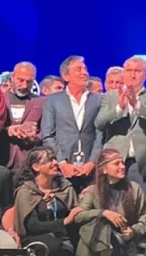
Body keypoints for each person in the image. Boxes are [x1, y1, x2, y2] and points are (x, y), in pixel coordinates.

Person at [97, 56, 146, 201]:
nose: (133, 75)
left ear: (145, 74)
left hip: (142, 162)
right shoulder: (109, 96)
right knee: (113, 204)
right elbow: (99, 123)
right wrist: (119, 108)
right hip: (115, 160)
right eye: (129, 71)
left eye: (137, 71)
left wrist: (137, 105)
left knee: (141, 205)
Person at [74, 149, 146, 256]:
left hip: (126, 245)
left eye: (122, 163)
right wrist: (103, 213)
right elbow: (78, 216)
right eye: (116, 164)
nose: (122, 166)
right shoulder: (93, 191)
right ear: (104, 169)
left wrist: (133, 231)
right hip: (97, 245)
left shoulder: (134, 189)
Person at [41, 56, 103, 192]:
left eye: (85, 69)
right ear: (66, 76)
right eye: (78, 69)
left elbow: (100, 133)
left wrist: (92, 162)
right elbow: (48, 135)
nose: (84, 73)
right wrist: (62, 163)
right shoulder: (53, 100)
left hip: (90, 170)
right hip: (62, 169)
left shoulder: (98, 100)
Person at [13, 147, 79, 256]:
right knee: (53, 246)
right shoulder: (26, 192)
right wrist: (64, 222)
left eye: (55, 159)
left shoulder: (65, 189)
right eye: (49, 160)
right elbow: (32, 226)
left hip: (65, 237)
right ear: (36, 167)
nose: (55, 163)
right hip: (36, 239)